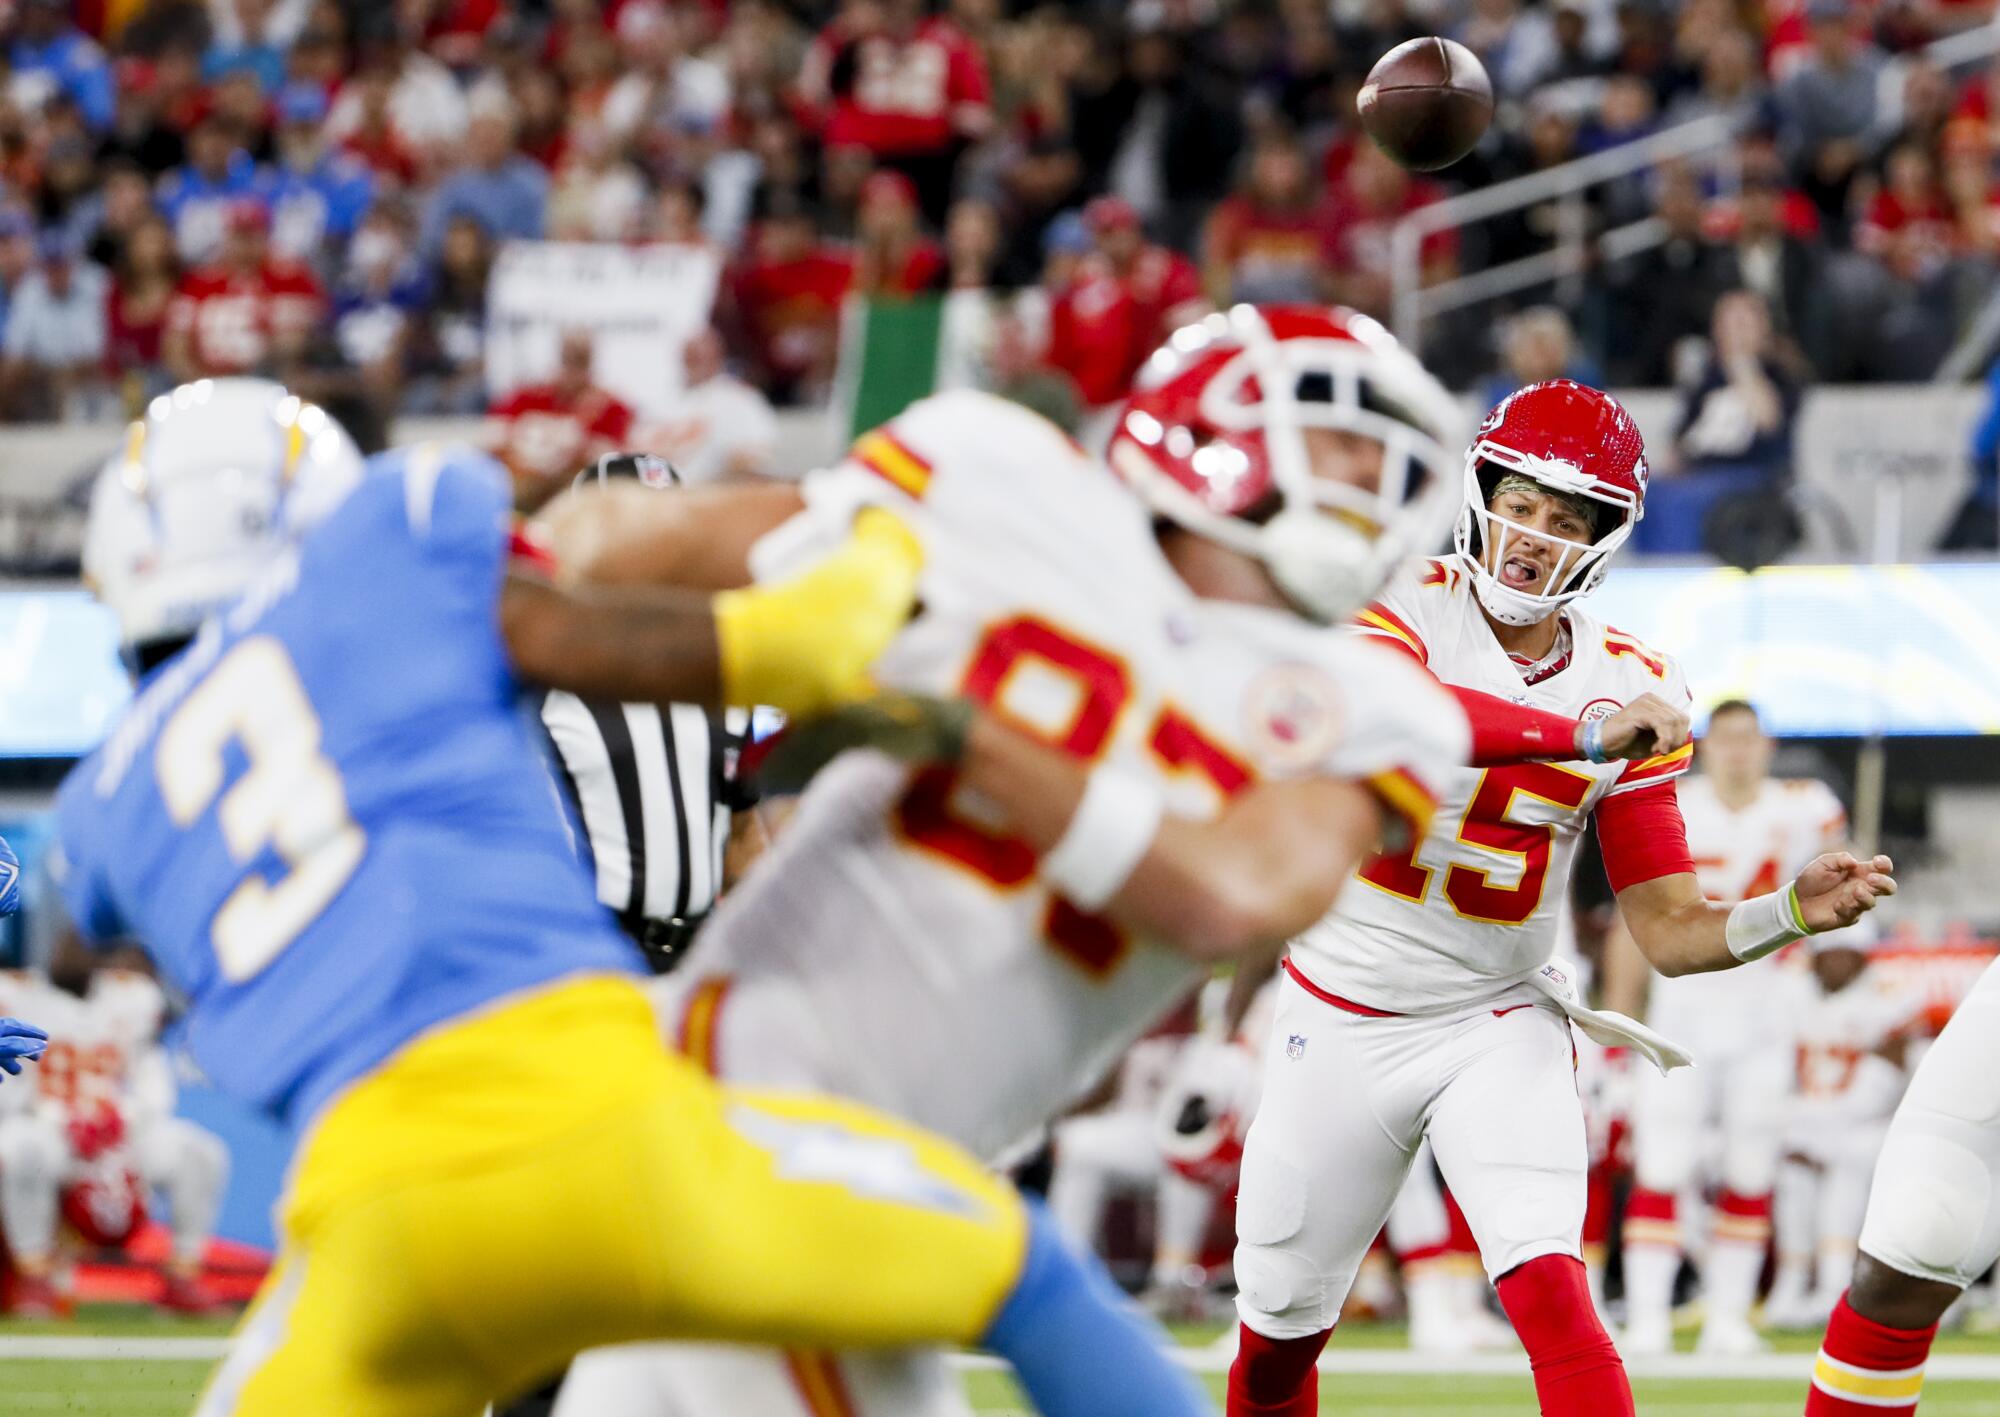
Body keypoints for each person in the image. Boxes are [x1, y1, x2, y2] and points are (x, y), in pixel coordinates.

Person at [53, 376, 1213, 1417]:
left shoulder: (94, 812)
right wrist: (880, 562)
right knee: (1021, 1271)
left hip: (367, 1210)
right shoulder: (389, 539)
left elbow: (125, 902)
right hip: (597, 1118)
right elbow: (787, 640)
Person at [530, 302, 1474, 1415]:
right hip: (755, 1092)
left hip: (896, 1162)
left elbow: (1230, 898)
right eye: (1341, 435)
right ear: (1207, 420)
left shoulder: (1375, 707)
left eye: (1390, 455)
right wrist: (795, 623)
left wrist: (965, 734)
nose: (1371, 474)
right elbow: (623, 549)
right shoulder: (1006, 481)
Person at [1225, 380, 1895, 1417]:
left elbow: (1669, 931)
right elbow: (1399, 709)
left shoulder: (1627, 676)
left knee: (1550, 1290)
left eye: (1565, 517)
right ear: (1480, 491)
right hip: (1338, 1011)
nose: (1533, 534)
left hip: (1496, 1015)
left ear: (1599, 539)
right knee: (1273, 1341)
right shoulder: (1399, 598)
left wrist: (1787, 911)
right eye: (1523, 502)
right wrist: (1579, 736)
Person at [1606, 698, 1855, 1356]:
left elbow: (1840, 885)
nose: (1739, 751)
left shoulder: (1806, 807)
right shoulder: (1670, 801)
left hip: (1766, 1011)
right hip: (1683, 1008)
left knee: (1751, 1167)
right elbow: (1634, 917)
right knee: (1662, 1163)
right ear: (1706, 746)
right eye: (1727, 739)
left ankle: (1727, 1317)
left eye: (1750, 739)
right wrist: (1623, 1015)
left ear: (1767, 746)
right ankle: (1651, 1317)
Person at [0, 957, 230, 1316]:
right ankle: (35, 1275)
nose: (71, 945)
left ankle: (183, 1277)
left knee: (200, 1152)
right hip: (48, 1130)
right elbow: (8, 1088)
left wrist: (122, 1115)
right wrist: (58, 1117)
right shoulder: (14, 993)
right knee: (21, 1147)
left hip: (119, 1133)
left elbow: (153, 1084)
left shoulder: (132, 996)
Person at [1766, 939, 1918, 1330]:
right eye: (1827, 954)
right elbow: (1774, 1072)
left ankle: (1836, 1286)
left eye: (1843, 954)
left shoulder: (1886, 996)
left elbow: (1891, 1072)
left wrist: (1830, 1121)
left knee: (1851, 1160)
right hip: (1802, 1120)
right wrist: (1798, 1122)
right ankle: (1792, 1281)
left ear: (1861, 956)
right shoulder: (1789, 992)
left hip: (1864, 1124)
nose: (1834, 964)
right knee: (1790, 1174)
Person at [644, 327, 779, 484]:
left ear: (719, 355)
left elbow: (752, 462)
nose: (696, 361)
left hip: (715, 496)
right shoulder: (662, 402)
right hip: (664, 495)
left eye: (702, 355)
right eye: (691, 355)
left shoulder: (741, 400)